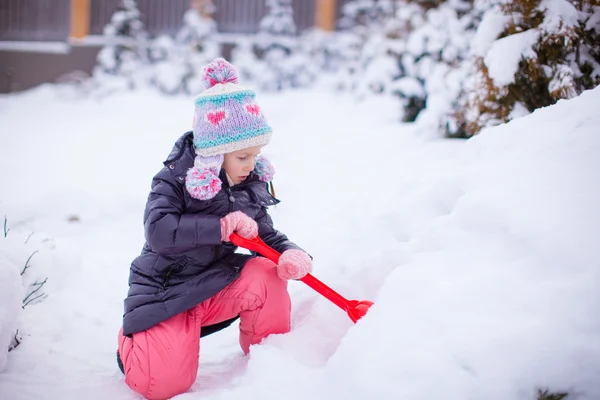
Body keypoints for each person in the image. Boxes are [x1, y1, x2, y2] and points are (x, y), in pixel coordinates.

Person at [116, 58, 312, 400]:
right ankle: (135, 346)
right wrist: (219, 227)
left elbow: (263, 235)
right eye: (241, 157)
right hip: (166, 291)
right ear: (214, 153)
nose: (250, 165)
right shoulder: (173, 180)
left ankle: (271, 361)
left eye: (255, 154)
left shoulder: (248, 182)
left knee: (267, 273)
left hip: (212, 284)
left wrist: (291, 253)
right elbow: (159, 232)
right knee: (163, 386)